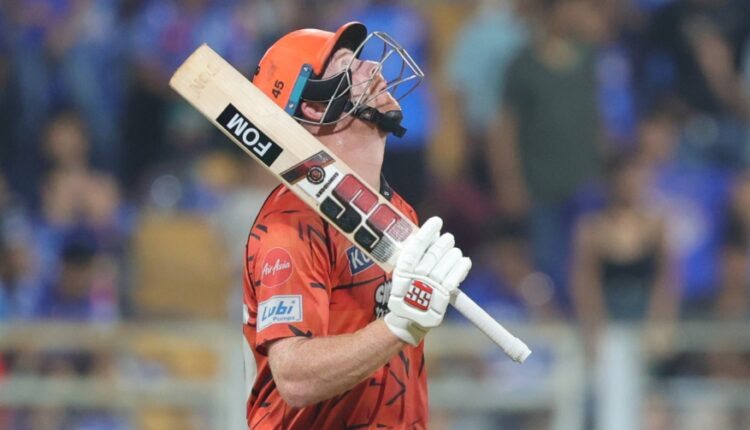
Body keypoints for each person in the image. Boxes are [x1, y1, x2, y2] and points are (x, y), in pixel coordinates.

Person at [241, 22, 472, 429]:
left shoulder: (399, 211)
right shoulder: (290, 225)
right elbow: (294, 377)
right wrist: (398, 326)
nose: (373, 67)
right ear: (314, 108)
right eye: (348, 65)